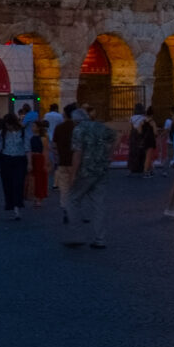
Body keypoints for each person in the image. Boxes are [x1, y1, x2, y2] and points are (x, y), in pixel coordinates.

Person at [63, 105, 112, 248]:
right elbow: (117, 137)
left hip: (86, 170)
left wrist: (73, 175)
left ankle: (77, 235)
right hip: (101, 170)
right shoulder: (100, 127)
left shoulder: (78, 130)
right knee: (98, 204)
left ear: (75, 120)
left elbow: (77, 154)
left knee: (72, 200)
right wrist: (109, 155)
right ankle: (100, 239)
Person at [0, 109, 28, 218]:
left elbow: (27, 147)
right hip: (6, 158)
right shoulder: (3, 132)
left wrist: (30, 162)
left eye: (8, 125)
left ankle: (17, 206)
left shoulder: (23, 131)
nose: (7, 127)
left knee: (18, 183)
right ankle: (12, 205)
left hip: (20, 159)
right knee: (8, 183)